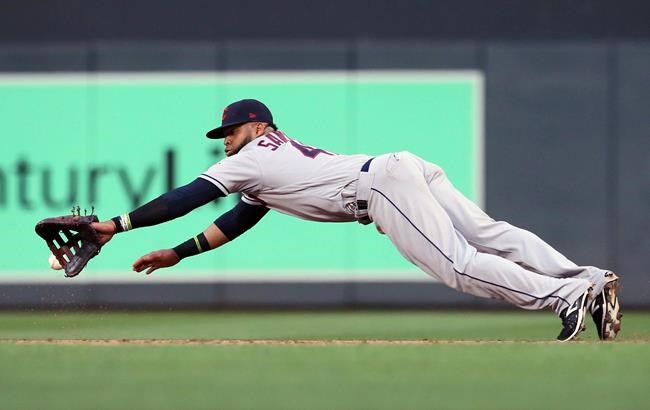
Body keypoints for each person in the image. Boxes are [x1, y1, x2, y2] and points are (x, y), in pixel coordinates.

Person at [92, 99, 622, 342]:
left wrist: (118, 224)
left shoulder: (249, 157)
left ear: (255, 126)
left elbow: (186, 197)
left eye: (227, 132)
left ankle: (566, 297)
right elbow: (238, 220)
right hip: (399, 166)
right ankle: (590, 281)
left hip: (380, 187)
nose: (224, 142)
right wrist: (179, 253)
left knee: (459, 264)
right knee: (489, 234)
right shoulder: (270, 161)